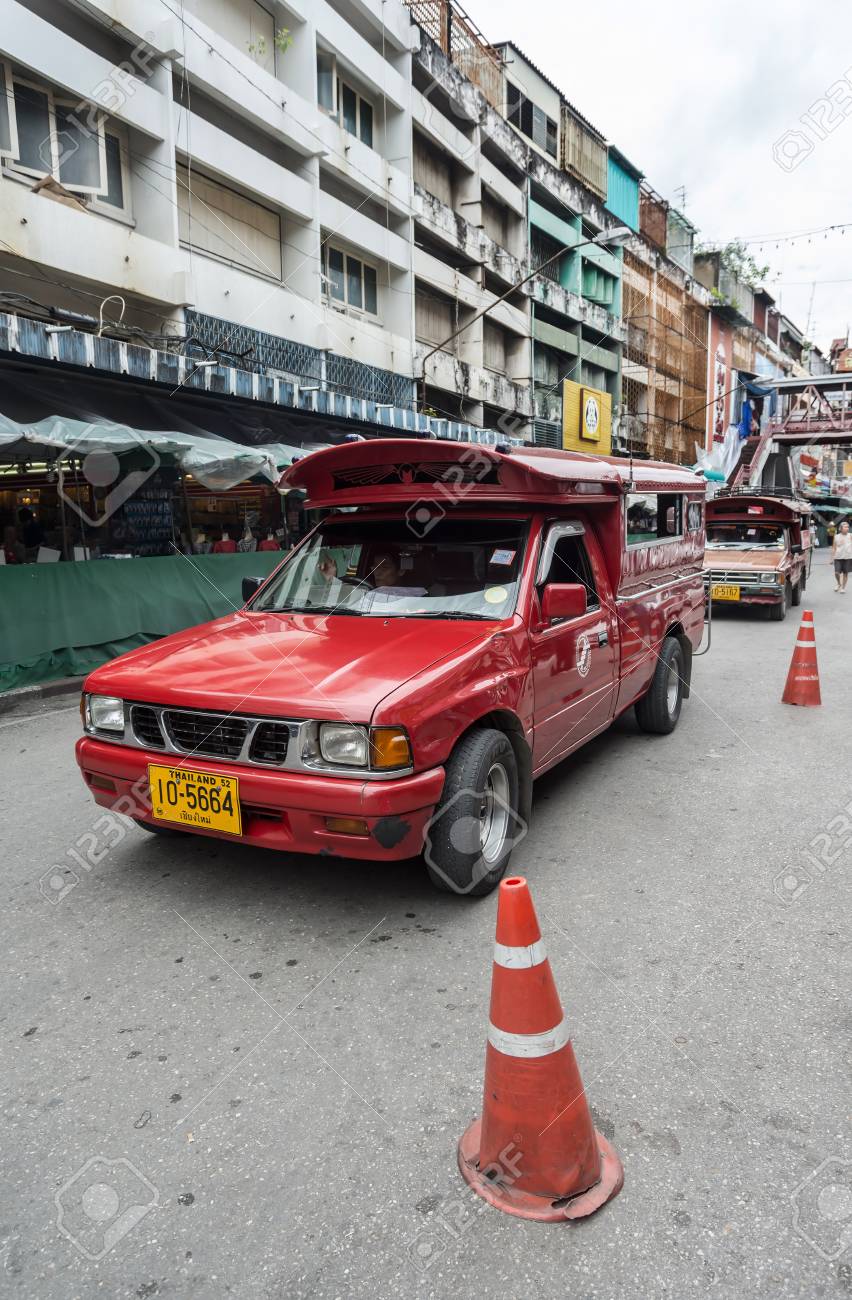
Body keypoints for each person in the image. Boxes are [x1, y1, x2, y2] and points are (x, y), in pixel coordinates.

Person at [833, 519, 852, 593]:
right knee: (836, 573)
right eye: (845, 527)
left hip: (848, 557)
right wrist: (831, 558)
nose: (847, 528)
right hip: (838, 557)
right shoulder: (836, 537)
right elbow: (834, 548)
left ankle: (843, 588)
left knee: (845, 573)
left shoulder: (850, 535)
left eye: (847, 527)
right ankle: (838, 583)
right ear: (840, 528)